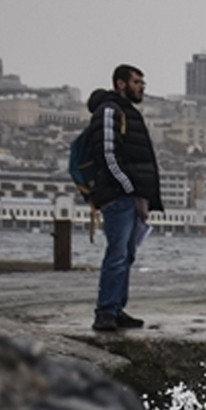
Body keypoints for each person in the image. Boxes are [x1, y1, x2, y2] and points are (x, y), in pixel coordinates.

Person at [87, 64, 163, 331]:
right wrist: (129, 189)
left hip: (130, 197)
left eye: (142, 82)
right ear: (121, 84)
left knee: (126, 255)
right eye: (136, 82)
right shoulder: (109, 111)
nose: (141, 87)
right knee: (117, 254)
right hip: (119, 197)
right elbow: (108, 155)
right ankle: (106, 310)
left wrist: (142, 196)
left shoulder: (128, 113)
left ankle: (117, 308)